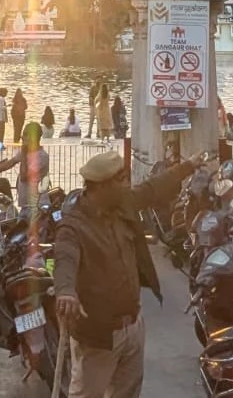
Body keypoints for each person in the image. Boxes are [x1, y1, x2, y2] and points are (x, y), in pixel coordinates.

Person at [54, 151, 163, 398]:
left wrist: (188, 166)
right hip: (99, 337)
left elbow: (153, 189)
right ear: (102, 186)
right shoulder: (73, 226)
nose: (126, 184)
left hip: (133, 327)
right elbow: (65, 259)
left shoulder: (122, 204)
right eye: (121, 179)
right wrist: (66, 292)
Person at [15, 121, 51, 214]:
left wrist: (23, 154)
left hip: (37, 207)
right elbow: (9, 163)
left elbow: (24, 177)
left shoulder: (42, 156)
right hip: (25, 206)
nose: (22, 137)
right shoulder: (27, 153)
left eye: (25, 134)